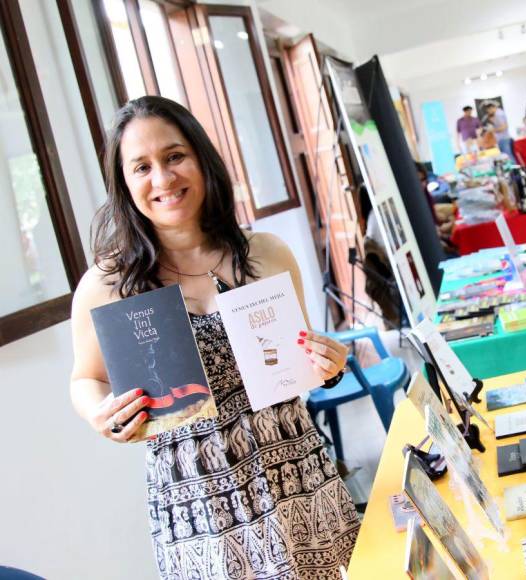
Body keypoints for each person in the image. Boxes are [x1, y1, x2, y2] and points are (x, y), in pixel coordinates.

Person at [69, 96, 361, 579]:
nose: (162, 179)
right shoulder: (107, 285)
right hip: (200, 505)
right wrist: (100, 413)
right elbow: (85, 379)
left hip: (296, 477)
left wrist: (328, 364)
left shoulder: (266, 253)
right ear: (123, 183)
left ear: (202, 159)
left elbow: (303, 359)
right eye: (141, 167)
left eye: (174, 156)